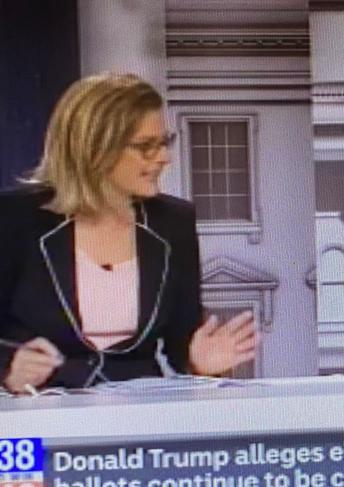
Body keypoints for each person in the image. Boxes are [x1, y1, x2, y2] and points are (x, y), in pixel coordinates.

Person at [0, 73, 257, 393]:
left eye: (164, 142)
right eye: (145, 147)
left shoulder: (174, 222)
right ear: (94, 149)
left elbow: (182, 343)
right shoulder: (15, 219)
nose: (164, 158)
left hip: (140, 418)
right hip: (41, 416)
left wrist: (201, 365)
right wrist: (8, 368)